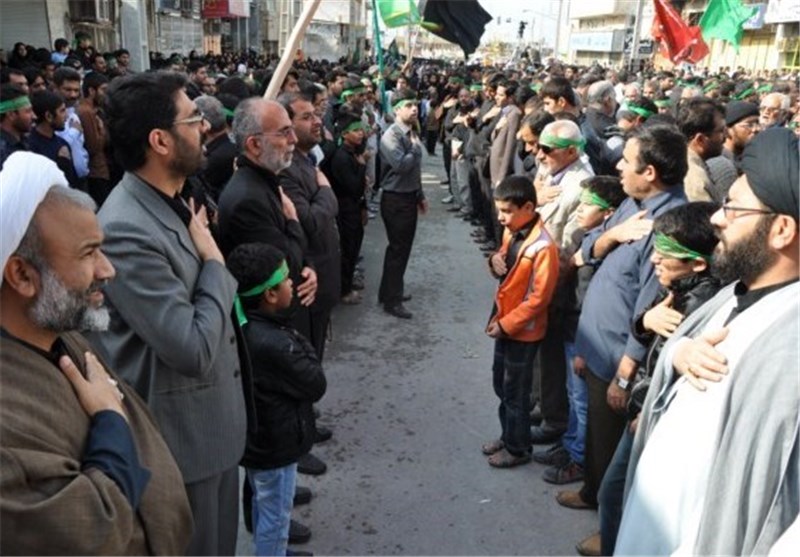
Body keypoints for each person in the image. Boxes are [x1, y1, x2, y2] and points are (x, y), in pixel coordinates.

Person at [615, 127, 799, 556]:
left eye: (732, 208)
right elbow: (679, 351)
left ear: (782, 229)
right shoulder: (732, 293)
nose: (717, 218)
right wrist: (677, 354)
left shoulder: (790, 346)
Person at [0, 152, 192, 554]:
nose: (107, 270)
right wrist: (110, 419)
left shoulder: (62, 334)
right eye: (88, 253)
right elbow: (88, 533)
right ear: (21, 274)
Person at [89, 71, 249, 556]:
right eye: (193, 119)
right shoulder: (126, 228)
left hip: (213, 435)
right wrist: (215, 264)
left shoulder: (171, 199)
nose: (205, 128)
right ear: (160, 141)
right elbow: (192, 348)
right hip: (184, 448)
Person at [558, 125, 688, 555]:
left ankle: (608, 524)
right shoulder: (632, 205)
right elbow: (591, 248)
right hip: (595, 344)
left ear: (649, 172)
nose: (617, 167)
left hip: (618, 356)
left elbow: (651, 308)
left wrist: (625, 373)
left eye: (627, 161)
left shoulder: (668, 225)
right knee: (597, 432)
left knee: (614, 444)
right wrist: (612, 235)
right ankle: (591, 492)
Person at [596, 201, 721, 555]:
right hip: (644, 411)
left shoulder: (700, 307)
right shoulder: (676, 287)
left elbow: (679, 370)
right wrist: (644, 322)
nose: (654, 259)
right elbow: (650, 330)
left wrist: (647, 408)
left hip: (653, 419)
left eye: (665, 254)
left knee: (616, 495)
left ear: (697, 263)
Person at [227, 243, 327, 557]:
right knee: (276, 516)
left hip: (259, 443)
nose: (291, 283)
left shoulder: (247, 325)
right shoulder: (275, 343)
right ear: (270, 294)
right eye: (285, 279)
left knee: (264, 502)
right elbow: (315, 382)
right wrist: (297, 338)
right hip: (275, 447)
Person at [536, 176, 626, 486]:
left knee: (583, 401)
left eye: (589, 205)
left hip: (583, 336)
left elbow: (591, 302)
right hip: (569, 328)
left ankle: (580, 460)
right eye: (581, 203)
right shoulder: (584, 236)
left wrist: (584, 349)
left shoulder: (606, 251)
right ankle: (571, 443)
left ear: (609, 213)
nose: (580, 210)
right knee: (574, 396)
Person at [482, 175, 560, 468]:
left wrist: (507, 325)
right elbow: (503, 260)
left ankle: (518, 448)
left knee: (515, 391)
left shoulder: (543, 247)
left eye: (507, 211)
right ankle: (509, 436)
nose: (501, 218)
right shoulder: (512, 232)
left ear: (528, 207)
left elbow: (539, 299)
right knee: (501, 385)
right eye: (499, 210)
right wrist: (494, 260)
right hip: (504, 323)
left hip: (522, 331)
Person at [278, 91, 341, 361]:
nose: (317, 122)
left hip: (322, 283)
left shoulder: (306, 160)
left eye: (316, 114)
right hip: (308, 287)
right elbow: (310, 222)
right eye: (307, 117)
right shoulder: (286, 169)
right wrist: (326, 191)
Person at [377, 88, 428, 319]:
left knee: (400, 249)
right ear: (397, 110)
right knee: (398, 249)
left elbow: (414, 171)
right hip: (396, 199)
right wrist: (415, 149)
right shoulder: (392, 136)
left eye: (415, 104)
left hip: (407, 196)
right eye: (409, 105)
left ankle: (388, 290)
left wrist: (420, 195)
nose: (414, 109)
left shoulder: (410, 132)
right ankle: (392, 300)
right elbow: (401, 165)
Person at [328, 110, 369, 305]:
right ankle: (344, 290)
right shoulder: (342, 157)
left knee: (353, 248)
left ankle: (348, 282)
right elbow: (353, 188)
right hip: (345, 211)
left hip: (354, 208)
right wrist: (361, 167)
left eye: (361, 129)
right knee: (347, 249)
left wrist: (363, 207)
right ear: (345, 134)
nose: (361, 133)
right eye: (355, 130)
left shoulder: (352, 153)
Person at [678, 98, 727, 203]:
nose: (725, 136)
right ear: (700, 139)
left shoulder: (685, 162)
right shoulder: (696, 180)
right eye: (721, 131)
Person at [27, 90, 80, 189]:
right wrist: (61, 164)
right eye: (62, 111)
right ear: (49, 116)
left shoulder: (62, 143)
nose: (66, 116)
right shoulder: (29, 148)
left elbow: (73, 184)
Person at [76, 71, 112, 206]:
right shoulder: (86, 112)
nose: (105, 94)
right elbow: (93, 146)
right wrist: (102, 130)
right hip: (96, 171)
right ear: (91, 91)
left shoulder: (94, 110)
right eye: (103, 90)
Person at [0, 84, 33, 169]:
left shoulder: (25, 141)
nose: (34, 116)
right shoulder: (2, 151)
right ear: (11, 115)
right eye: (28, 111)